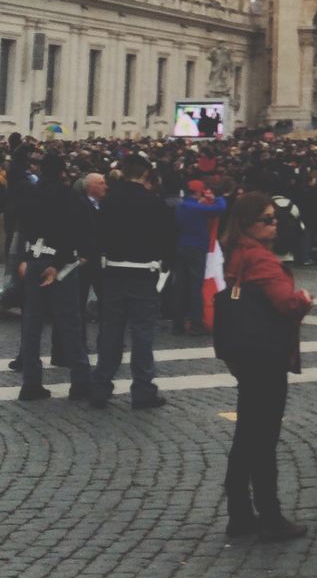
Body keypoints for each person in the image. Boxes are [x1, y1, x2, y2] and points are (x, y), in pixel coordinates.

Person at [218, 192, 314, 540]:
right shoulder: (261, 259)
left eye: (274, 218)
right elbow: (286, 303)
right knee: (262, 437)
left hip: (246, 354)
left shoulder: (238, 252)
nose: (275, 224)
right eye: (267, 219)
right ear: (248, 223)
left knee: (247, 435)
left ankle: (240, 512)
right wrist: (304, 299)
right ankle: (269, 514)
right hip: (266, 355)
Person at [89, 154, 176, 410]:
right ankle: (142, 390)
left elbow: (96, 238)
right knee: (142, 335)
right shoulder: (155, 203)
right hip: (143, 274)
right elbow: (169, 242)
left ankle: (100, 386)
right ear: (146, 175)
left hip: (113, 273)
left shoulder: (108, 202)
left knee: (110, 333)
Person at [14, 151, 93, 401]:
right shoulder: (71, 197)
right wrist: (59, 263)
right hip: (60, 265)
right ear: (62, 171)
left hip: (34, 258)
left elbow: (22, 228)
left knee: (31, 324)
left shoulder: (30, 194)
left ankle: (30, 383)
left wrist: (24, 260)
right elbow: (77, 232)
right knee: (69, 322)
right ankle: (80, 381)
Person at [172, 181, 224, 335]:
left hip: (181, 246)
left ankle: (178, 323)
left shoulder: (181, 205)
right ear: (198, 192)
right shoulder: (195, 207)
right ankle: (196, 322)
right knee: (196, 285)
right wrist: (218, 197)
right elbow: (220, 208)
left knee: (180, 285)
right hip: (197, 248)